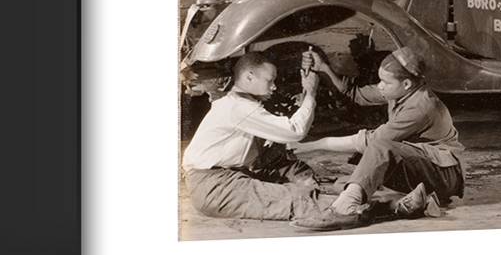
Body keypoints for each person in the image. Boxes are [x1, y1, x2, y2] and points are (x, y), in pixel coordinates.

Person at [181, 52, 364, 231]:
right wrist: (310, 93)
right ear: (249, 77)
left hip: (222, 177)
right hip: (214, 187)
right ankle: (362, 207)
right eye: (269, 80)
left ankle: (345, 196)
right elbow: (295, 131)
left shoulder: (238, 102)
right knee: (295, 198)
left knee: (295, 173)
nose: (274, 86)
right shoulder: (239, 107)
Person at [301, 45, 465, 223]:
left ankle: (343, 211)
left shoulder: (422, 106)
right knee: (347, 183)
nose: (380, 86)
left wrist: (312, 145)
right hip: (422, 167)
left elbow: (374, 141)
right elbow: (354, 94)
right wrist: (323, 68)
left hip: (444, 175)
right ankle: (413, 202)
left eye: (385, 82)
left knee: (377, 150)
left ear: (406, 84)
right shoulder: (401, 91)